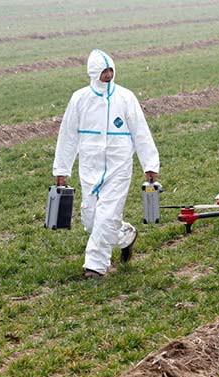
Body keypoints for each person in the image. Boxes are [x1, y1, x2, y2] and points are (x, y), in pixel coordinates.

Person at [53, 49, 160, 278]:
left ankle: (95, 266)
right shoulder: (80, 99)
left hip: (118, 166)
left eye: (111, 70)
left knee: (106, 215)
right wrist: (61, 170)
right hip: (90, 166)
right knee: (91, 217)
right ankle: (125, 235)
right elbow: (68, 136)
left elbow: (141, 132)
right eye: (104, 71)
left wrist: (150, 165)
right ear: (93, 72)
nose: (108, 74)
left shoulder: (126, 97)